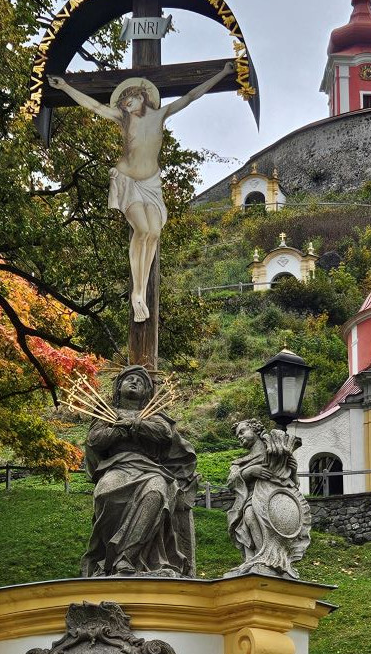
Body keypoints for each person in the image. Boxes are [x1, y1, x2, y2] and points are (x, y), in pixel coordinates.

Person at [48, 61, 234, 321]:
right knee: (142, 230)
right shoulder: (123, 119)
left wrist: (222, 74)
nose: (125, 105)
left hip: (152, 184)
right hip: (128, 181)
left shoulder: (161, 114)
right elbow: (93, 106)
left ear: (142, 96)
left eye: (129, 100)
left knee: (154, 233)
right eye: (123, 103)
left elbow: (191, 96)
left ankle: (141, 291)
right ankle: (136, 293)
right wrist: (66, 86)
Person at [80, 366, 197, 578]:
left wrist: (135, 423)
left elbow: (164, 433)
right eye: (129, 379)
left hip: (149, 469)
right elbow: (95, 439)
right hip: (117, 467)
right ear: (118, 387)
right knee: (105, 494)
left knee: (156, 493)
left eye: (140, 382)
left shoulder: (153, 413)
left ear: (146, 392)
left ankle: (127, 558)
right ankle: (110, 559)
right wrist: (120, 428)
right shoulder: (108, 413)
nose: (134, 382)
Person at [225, 419, 311, 578]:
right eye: (238, 435)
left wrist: (293, 469)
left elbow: (292, 483)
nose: (240, 437)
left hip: (273, 500)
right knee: (249, 517)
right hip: (250, 498)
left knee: (254, 516)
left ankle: (273, 560)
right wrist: (250, 471)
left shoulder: (274, 450)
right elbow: (231, 481)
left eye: (242, 431)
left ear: (255, 430)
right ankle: (257, 557)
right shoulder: (239, 463)